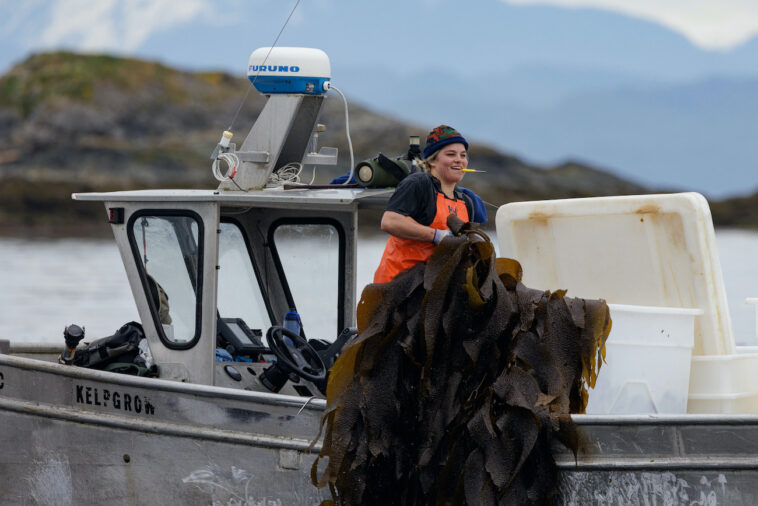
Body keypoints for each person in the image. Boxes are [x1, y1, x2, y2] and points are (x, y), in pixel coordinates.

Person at [373, 125, 484, 283]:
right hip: (397, 288)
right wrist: (437, 236)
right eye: (451, 154)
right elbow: (390, 221)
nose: (459, 160)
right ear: (432, 161)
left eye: (463, 155)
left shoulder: (466, 201)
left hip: (434, 291)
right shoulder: (419, 184)